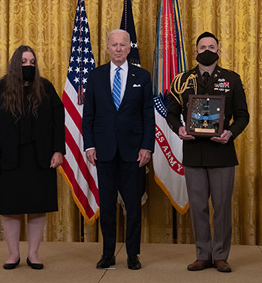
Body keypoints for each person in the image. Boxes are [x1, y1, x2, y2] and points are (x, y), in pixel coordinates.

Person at [167, 32, 249, 273]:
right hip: (193, 152)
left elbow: (243, 115)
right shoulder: (182, 80)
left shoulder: (232, 79)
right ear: (195, 52)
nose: (206, 50)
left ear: (219, 51)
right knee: (198, 206)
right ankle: (203, 254)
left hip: (222, 152)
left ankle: (221, 255)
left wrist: (230, 133)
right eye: (202, 47)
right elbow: (172, 113)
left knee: (222, 206)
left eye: (211, 46)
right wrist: (178, 128)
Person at [0, 45, 65, 270]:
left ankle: (34, 255)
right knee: (10, 208)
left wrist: (58, 150)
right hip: (8, 159)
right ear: (14, 64)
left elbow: (59, 120)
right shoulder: (0, 89)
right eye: (24, 61)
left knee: (37, 207)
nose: (28, 65)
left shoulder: (45, 87)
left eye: (32, 62)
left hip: (40, 158)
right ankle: (12, 255)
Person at [82, 29, 155, 270]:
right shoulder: (95, 76)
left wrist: (147, 147)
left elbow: (147, 115)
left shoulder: (142, 77)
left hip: (133, 152)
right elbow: (89, 114)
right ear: (107, 48)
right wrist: (89, 145)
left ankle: (133, 254)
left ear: (129, 47)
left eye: (123, 45)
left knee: (133, 206)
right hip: (103, 151)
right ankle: (108, 253)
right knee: (108, 206)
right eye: (114, 45)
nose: (118, 49)